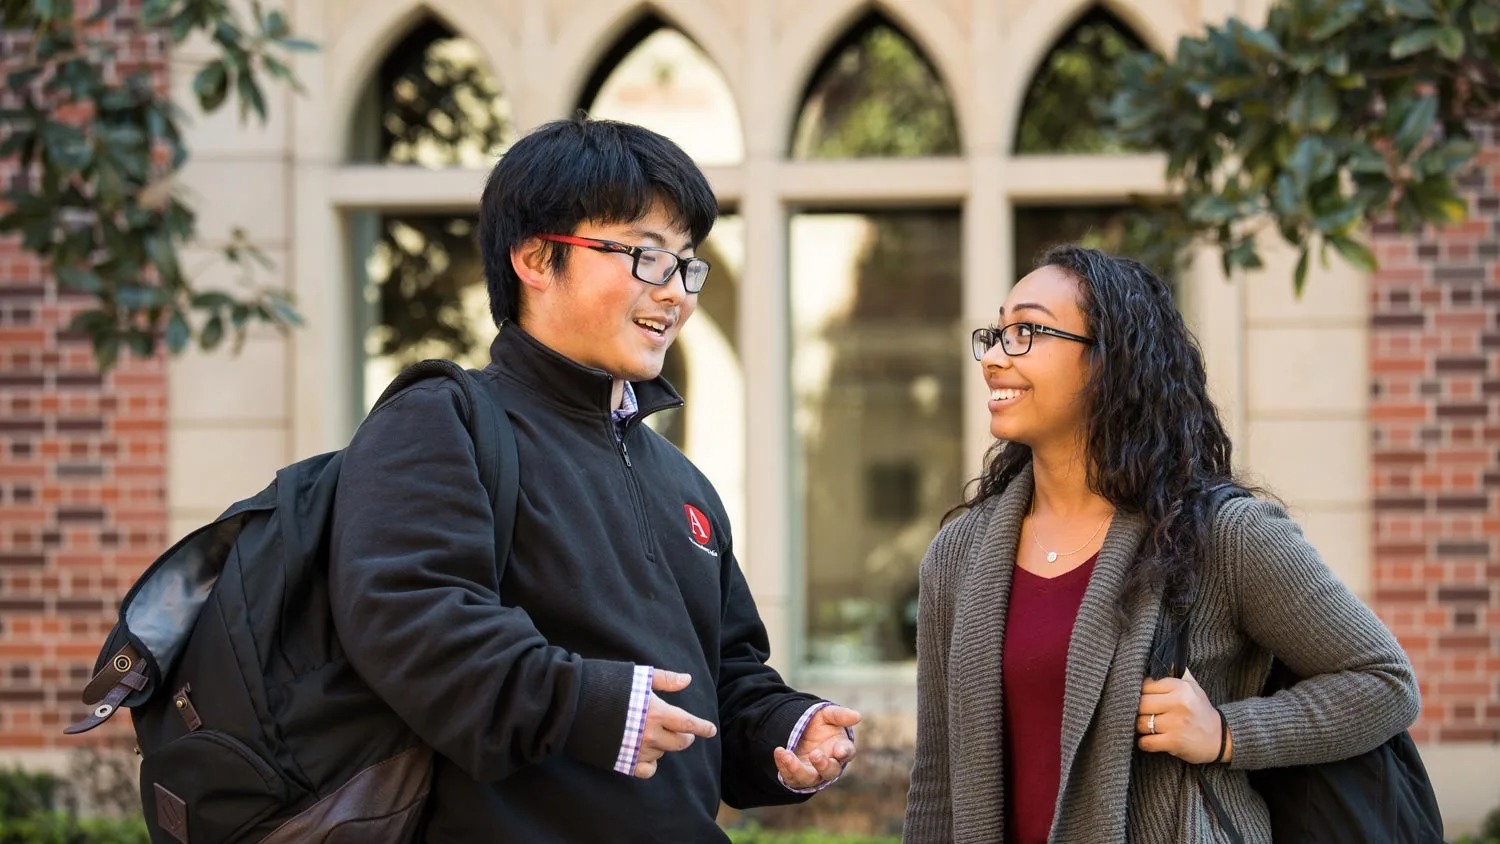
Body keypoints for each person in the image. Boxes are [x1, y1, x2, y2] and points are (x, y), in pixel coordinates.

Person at [329, 116, 860, 842]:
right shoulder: (443, 421)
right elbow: (413, 621)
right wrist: (594, 705)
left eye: (686, 264)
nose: (675, 294)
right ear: (536, 259)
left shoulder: (681, 481)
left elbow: (722, 675)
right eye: (646, 257)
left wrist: (783, 728)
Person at [902, 245, 1419, 843]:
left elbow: (1383, 680)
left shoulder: (1222, 536)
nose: (994, 356)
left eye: (1027, 332)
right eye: (996, 333)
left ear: (1109, 362)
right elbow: (939, 779)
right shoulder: (960, 555)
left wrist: (1228, 733)